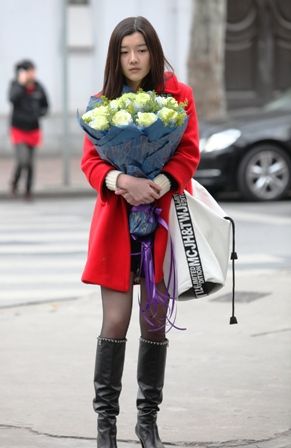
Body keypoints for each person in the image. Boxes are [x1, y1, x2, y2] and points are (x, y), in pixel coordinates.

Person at [81, 16, 200, 448]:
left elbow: (188, 153)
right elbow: (91, 162)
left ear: (153, 50)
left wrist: (158, 185)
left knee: (154, 325)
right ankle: (105, 427)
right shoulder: (101, 100)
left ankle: (147, 423)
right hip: (117, 225)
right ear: (116, 56)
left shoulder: (179, 97)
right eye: (125, 51)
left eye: (141, 49)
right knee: (115, 320)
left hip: (160, 225)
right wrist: (121, 182)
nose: (133, 59)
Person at [8, 59, 49, 199]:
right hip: (18, 129)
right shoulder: (16, 86)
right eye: (29, 71)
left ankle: (28, 191)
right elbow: (12, 98)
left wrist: (39, 113)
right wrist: (20, 83)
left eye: (33, 70)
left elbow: (46, 105)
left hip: (33, 130)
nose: (32, 74)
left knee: (30, 163)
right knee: (22, 160)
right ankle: (14, 183)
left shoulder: (38, 87)